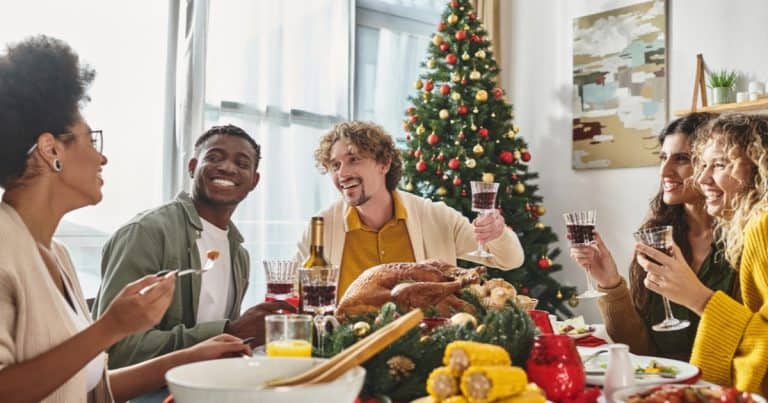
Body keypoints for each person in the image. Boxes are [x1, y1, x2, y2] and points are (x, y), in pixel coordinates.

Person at [0, 35, 251, 403]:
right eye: (92, 140)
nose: (103, 159)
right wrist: (110, 328)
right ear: (52, 149)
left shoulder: (58, 255)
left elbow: (89, 390)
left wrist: (192, 357)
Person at [93, 124, 294, 369]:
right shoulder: (147, 232)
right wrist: (230, 330)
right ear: (192, 168)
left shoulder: (239, 255)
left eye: (242, 164)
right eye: (214, 157)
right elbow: (116, 350)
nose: (227, 167)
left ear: (253, 181)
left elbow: (222, 352)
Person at [568, 112, 736, 361]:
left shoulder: (745, 240)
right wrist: (610, 283)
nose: (665, 171)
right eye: (663, 158)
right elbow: (640, 350)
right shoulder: (656, 237)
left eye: (681, 159)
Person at [297, 121, 524, 297]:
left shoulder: (436, 216)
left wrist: (497, 233)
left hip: (426, 349)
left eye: (353, 160)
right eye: (335, 165)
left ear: (384, 164)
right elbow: (293, 294)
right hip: (346, 350)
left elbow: (510, 260)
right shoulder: (321, 227)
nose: (342, 173)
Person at [636, 113, 768, 394]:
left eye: (719, 165)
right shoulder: (744, 228)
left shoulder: (761, 226)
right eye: (702, 164)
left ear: (759, 167)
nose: (703, 178)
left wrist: (699, 298)